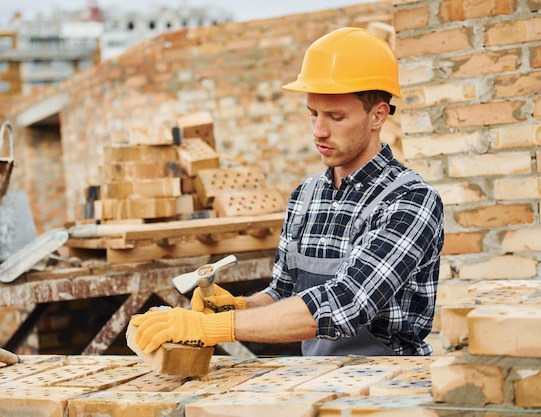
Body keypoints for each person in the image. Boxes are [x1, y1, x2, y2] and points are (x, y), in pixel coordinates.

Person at [130, 27, 445, 356]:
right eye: (313, 114)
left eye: (336, 117)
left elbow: (346, 303)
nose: (319, 131)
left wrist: (215, 327)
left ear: (378, 115)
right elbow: (282, 294)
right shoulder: (305, 197)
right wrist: (236, 308)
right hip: (315, 382)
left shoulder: (410, 201)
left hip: (389, 386)